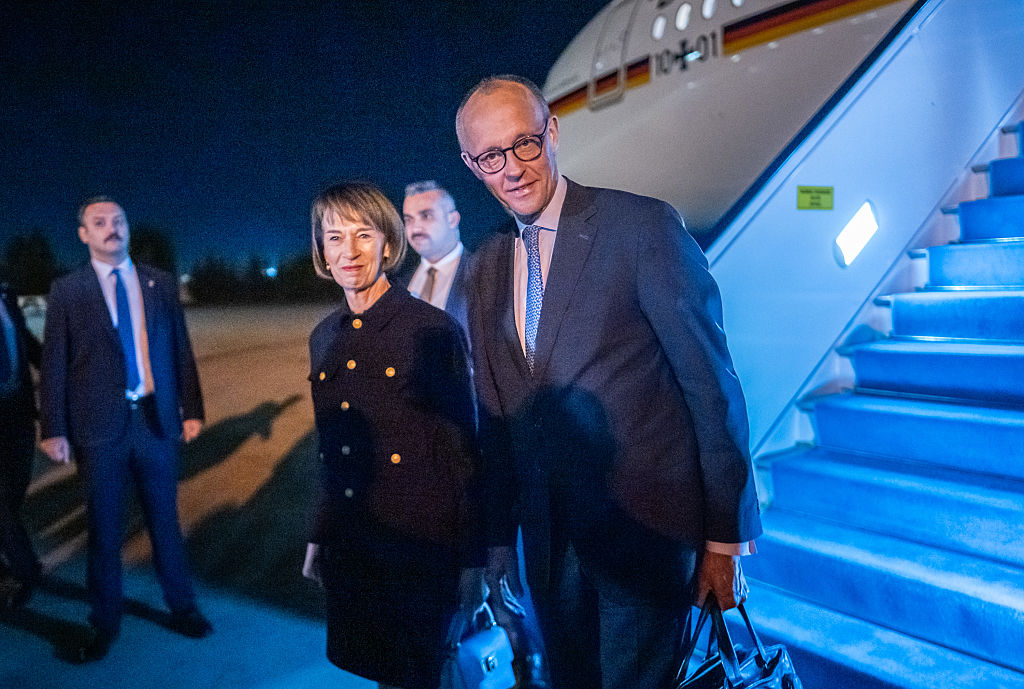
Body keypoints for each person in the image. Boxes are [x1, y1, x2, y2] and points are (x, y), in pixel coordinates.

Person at [455, 75, 763, 689]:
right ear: (471, 165)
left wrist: (725, 541)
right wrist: (497, 544)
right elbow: (497, 420)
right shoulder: (484, 265)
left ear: (553, 132)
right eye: (490, 156)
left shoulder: (642, 228)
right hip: (548, 553)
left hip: (648, 541)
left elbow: (711, 389)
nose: (511, 168)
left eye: (524, 143)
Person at [301, 181, 486, 689]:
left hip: (418, 551)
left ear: (387, 243)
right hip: (354, 543)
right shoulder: (324, 336)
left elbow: (462, 454)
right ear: (322, 252)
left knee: (419, 675)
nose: (349, 251)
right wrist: (320, 531)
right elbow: (332, 450)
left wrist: (474, 560)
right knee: (378, 672)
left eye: (363, 235)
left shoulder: (432, 330)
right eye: (334, 237)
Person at [38, 197, 211, 662]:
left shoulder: (159, 283)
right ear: (84, 234)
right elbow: (54, 362)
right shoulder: (68, 290)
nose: (111, 227)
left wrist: (191, 408)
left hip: (155, 422)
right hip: (98, 429)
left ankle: (182, 607)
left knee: (165, 524)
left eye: (118, 220)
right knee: (104, 530)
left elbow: (179, 348)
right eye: (99, 222)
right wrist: (54, 428)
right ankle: (104, 622)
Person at [0, 280, 43, 611]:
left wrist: (61, 371)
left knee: (14, 494)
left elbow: (25, 343)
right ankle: (25, 571)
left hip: (18, 415)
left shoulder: (6, 296)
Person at [402, 180, 471, 333]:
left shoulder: (482, 274)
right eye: (409, 219)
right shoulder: (399, 283)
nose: (415, 228)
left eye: (426, 216)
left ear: (452, 220)